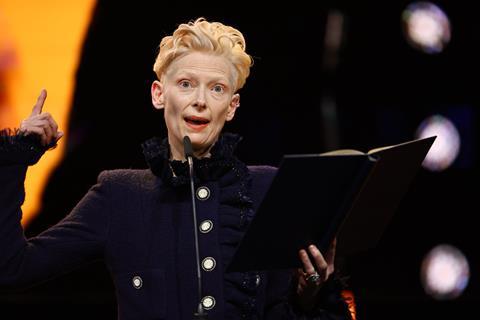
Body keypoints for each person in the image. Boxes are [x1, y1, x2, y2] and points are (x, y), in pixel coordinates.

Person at [0, 18, 352, 319]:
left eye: (216, 89)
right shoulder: (118, 195)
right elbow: (12, 269)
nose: (200, 100)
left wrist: (310, 294)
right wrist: (18, 155)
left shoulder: (269, 188)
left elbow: (284, 308)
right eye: (186, 84)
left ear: (231, 107)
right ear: (158, 94)